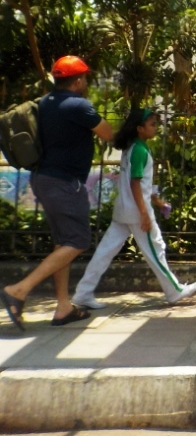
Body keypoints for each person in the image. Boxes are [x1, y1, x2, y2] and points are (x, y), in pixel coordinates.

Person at [1, 56, 113, 330]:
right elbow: (108, 133)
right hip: (64, 183)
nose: (86, 82)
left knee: (63, 242)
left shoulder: (45, 102)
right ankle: (18, 290)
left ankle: (63, 308)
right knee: (78, 240)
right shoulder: (78, 105)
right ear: (78, 80)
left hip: (44, 178)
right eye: (85, 78)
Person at [72, 108, 196, 309]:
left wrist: (157, 201)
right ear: (140, 128)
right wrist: (144, 214)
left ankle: (83, 293)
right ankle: (174, 291)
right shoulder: (140, 150)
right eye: (152, 124)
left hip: (123, 210)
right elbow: (135, 183)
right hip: (136, 212)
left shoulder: (131, 147)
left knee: (104, 252)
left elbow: (139, 183)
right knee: (156, 249)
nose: (155, 127)